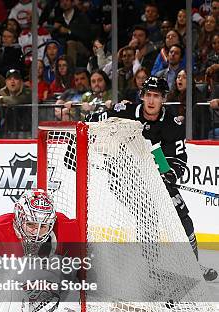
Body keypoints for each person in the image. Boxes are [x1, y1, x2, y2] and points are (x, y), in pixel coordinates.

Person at [88, 76, 217, 282]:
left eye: (156, 96)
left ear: (163, 99)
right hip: (125, 175)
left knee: (182, 216)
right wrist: (90, 120)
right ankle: (151, 266)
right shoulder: (127, 113)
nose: (151, 100)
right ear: (141, 96)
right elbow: (97, 119)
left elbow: (178, 159)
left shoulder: (171, 124)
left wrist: (168, 176)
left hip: (157, 172)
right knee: (146, 215)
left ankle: (194, 265)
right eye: (148, 95)